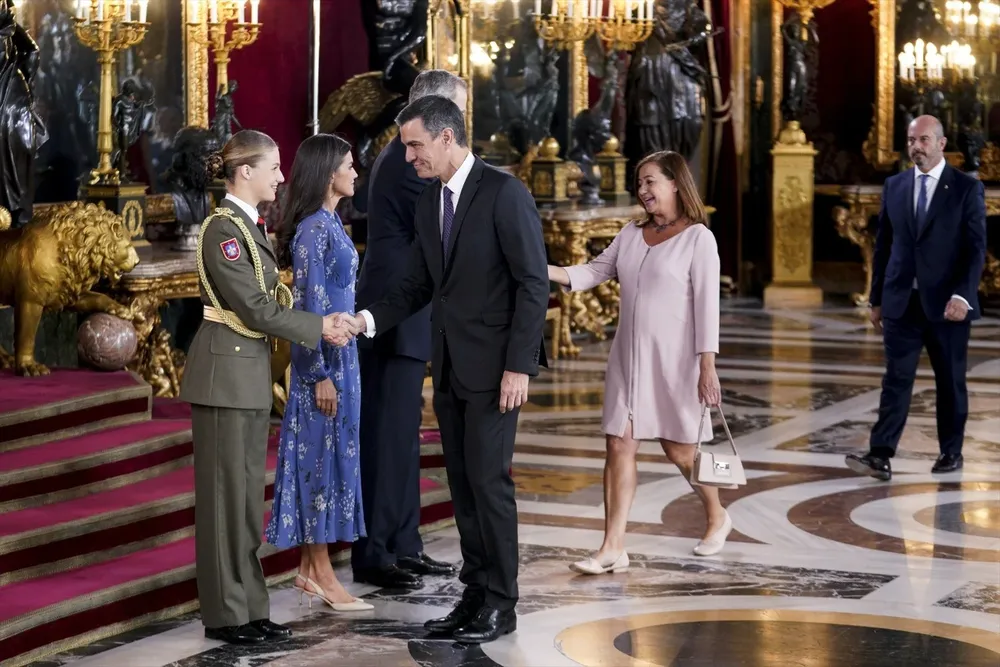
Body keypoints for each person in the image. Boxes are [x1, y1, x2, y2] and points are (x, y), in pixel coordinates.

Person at [340, 95, 549, 644]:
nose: (409, 157)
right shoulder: (430, 200)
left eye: (415, 146)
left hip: (497, 372)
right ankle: (474, 594)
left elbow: (533, 283)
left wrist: (519, 366)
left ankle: (501, 601)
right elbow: (415, 285)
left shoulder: (504, 192)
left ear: (446, 137)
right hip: (451, 368)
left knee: (489, 484)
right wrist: (364, 320)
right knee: (463, 484)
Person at [179, 129, 350, 645]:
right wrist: (318, 325)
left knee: (245, 498)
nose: (281, 176)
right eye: (274, 167)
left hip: (246, 374)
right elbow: (253, 308)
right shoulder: (223, 230)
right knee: (225, 501)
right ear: (246, 171)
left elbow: (266, 298)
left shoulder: (247, 226)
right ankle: (226, 614)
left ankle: (250, 609)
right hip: (224, 377)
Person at [548, 150, 725, 571]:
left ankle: (718, 514)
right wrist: (541, 267)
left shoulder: (699, 238)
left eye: (650, 182)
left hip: (676, 362)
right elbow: (593, 272)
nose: (642, 190)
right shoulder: (631, 233)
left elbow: (708, 307)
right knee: (618, 444)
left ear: (675, 184)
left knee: (681, 451)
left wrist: (707, 366)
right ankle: (612, 547)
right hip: (628, 361)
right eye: (639, 182)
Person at [351, 70, 466, 591]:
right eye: (456, 111)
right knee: (385, 436)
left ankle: (404, 544)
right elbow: (440, 228)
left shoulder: (407, 156)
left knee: (403, 437)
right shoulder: (407, 161)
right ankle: (375, 553)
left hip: (407, 312)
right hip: (393, 309)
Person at [265, 134, 373, 612]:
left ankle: (309, 572)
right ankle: (325, 574)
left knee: (333, 462)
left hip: (343, 358)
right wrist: (317, 374)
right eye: (349, 164)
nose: (355, 172)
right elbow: (308, 306)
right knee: (318, 468)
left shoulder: (332, 222)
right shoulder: (313, 229)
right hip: (322, 365)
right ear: (329, 173)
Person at [846, 115, 987, 481]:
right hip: (901, 302)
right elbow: (884, 247)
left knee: (950, 381)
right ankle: (880, 455)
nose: (916, 147)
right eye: (911, 140)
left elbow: (975, 249)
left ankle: (951, 452)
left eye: (923, 140)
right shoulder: (895, 186)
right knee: (896, 380)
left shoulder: (965, 189)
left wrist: (963, 296)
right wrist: (876, 298)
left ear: (941, 144)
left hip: (947, 306)